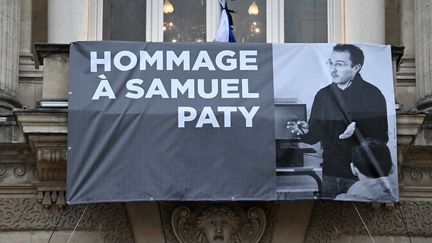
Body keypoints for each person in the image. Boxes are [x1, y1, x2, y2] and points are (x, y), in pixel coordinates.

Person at [289, 44, 389, 199]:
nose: (333, 70)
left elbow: (382, 138)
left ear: (356, 67)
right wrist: (307, 131)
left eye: (340, 64)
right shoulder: (322, 95)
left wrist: (358, 130)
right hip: (330, 172)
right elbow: (314, 136)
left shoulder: (373, 94)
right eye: (331, 63)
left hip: (362, 174)